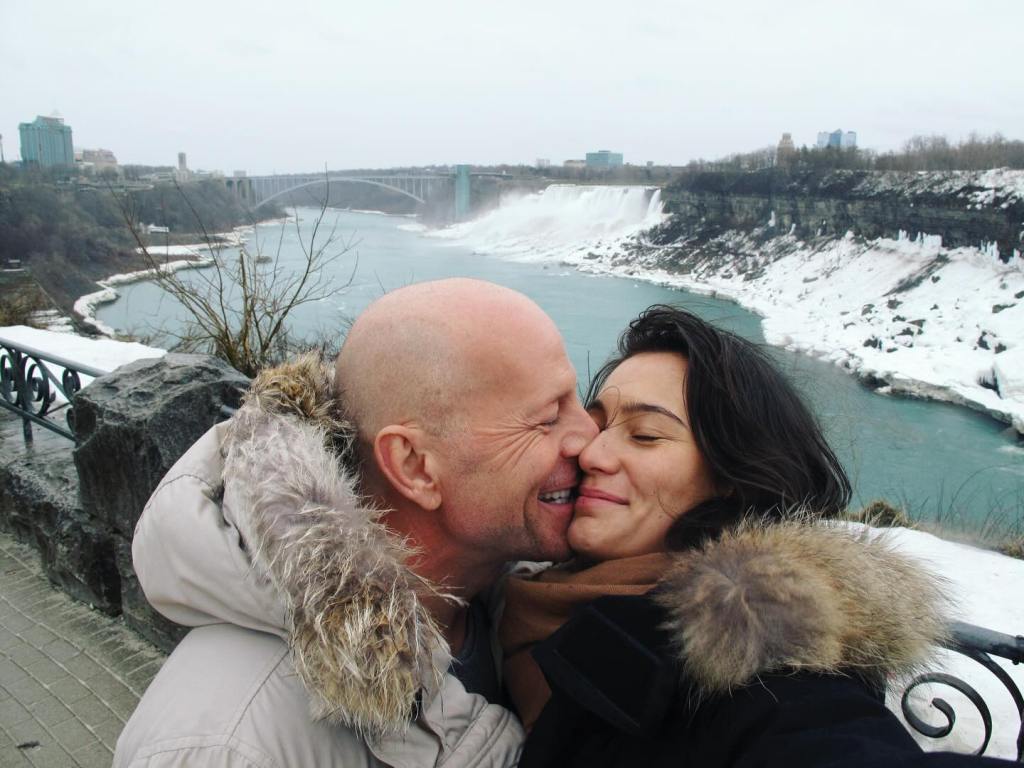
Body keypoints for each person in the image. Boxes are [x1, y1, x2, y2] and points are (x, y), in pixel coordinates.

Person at [113, 278, 598, 768]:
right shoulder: (224, 744)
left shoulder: (509, 606)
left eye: (580, 401)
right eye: (547, 418)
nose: (591, 437)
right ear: (413, 466)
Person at [500, 305, 1013, 768]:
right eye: (598, 426)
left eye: (646, 435)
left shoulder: (757, 656)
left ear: (730, 478)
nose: (592, 455)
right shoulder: (515, 593)